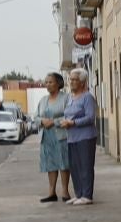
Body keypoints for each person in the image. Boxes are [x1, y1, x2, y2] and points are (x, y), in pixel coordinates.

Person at [60, 67, 99, 205]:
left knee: (85, 166)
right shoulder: (70, 98)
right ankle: (79, 194)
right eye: (70, 79)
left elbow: (90, 117)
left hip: (85, 137)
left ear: (82, 82)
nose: (71, 82)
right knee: (74, 167)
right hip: (71, 137)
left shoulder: (87, 97)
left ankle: (87, 195)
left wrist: (73, 122)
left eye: (75, 80)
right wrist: (64, 122)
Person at [34, 72, 71, 203]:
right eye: (46, 82)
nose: (48, 85)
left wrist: (54, 122)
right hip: (47, 136)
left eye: (51, 82)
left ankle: (65, 191)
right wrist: (42, 121)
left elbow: (69, 115)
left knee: (63, 163)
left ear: (58, 83)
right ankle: (51, 192)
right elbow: (36, 117)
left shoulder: (66, 98)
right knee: (50, 163)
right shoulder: (43, 100)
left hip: (61, 135)